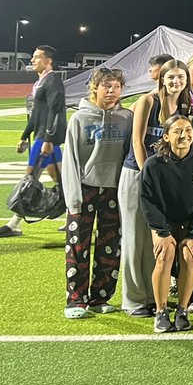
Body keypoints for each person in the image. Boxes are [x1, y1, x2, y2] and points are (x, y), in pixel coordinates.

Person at [118, 59, 191, 317]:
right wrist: (147, 174)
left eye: (180, 78)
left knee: (154, 241)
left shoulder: (182, 107)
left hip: (161, 181)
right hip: (137, 176)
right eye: (171, 77)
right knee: (134, 239)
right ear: (162, 78)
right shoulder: (148, 101)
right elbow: (137, 142)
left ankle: (151, 296)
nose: (176, 82)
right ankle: (133, 299)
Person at [60, 67, 131, 318]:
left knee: (110, 245)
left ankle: (101, 296)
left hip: (114, 190)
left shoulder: (126, 118)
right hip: (85, 189)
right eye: (106, 86)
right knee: (78, 246)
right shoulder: (79, 119)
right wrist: (73, 198)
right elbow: (70, 159)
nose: (111, 91)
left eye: (116, 87)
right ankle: (75, 300)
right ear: (95, 88)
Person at [139, 115, 193, 333]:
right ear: (166, 136)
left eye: (188, 130)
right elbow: (147, 201)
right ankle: (161, 311)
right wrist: (161, 232)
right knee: (165, 253)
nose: (184, 135)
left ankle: (182, 310)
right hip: (163, 222)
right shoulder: (153, 164)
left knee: (188, 254)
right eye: (177, 131)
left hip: (190, 222)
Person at [0, 44, 67, 239]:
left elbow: (55, 111)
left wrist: (48, 139)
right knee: (63, 181)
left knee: (30, 179)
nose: (32, 60)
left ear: (48, 61)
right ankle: (74, 217)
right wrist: (24, 136)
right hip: (41, 138)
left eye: (37, 57)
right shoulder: (41, 82)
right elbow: (36, 114)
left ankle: (14, 224)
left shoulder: (53, 81)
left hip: (45, 140)